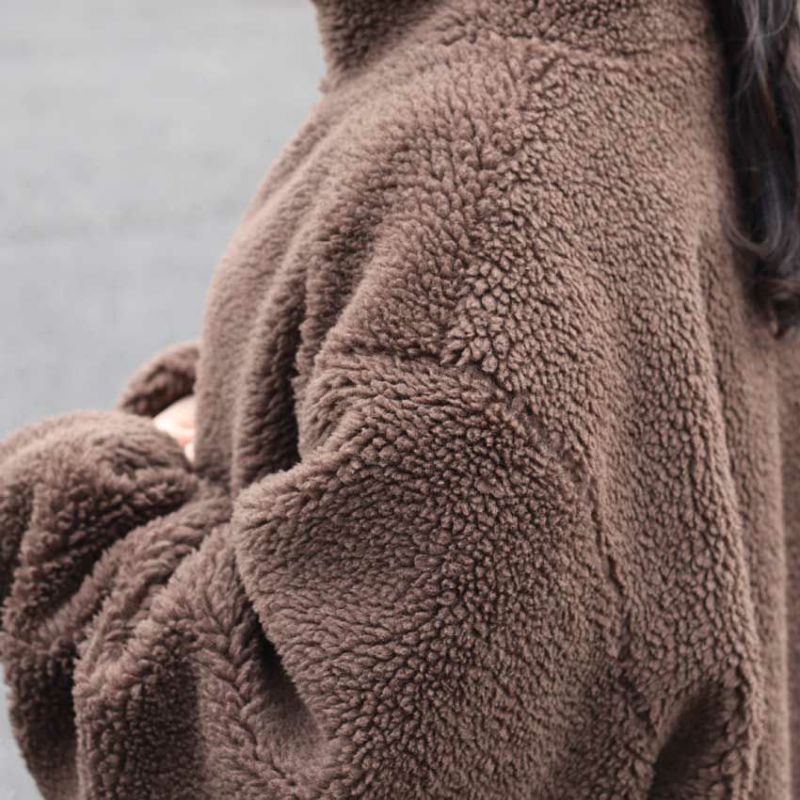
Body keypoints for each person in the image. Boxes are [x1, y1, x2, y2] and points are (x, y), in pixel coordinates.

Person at [2, 0, 800, 797]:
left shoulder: (485, 182)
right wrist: (246, 397)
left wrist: (68, 509)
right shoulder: (660, 56)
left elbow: (333, 767)